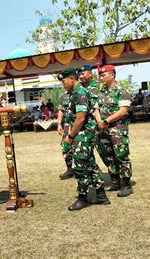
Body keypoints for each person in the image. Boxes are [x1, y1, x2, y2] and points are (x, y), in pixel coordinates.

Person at [58, 69, 109, 211]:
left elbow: (80, 118)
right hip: (83, 134)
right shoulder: (75, 92)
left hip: (83, 134)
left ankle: (83, 198)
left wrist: (70, 137)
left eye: (64, 81)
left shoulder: (80, 93)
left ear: (71, 78)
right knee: (90, 164)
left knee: (79, 167)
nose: (63, 84)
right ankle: (101, 195)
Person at [94, 65, 134, 198]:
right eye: (100, 75)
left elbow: (123, 111)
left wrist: (106, 122)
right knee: (108, 156)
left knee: (121, 156)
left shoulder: (122, 90)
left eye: (104, 75)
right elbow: (96, 109)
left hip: (117, 129)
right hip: (102, 129)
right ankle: (115, 181)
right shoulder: (101, 92)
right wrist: (100, 121)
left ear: (112, 75)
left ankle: (126, 184)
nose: (101, 77)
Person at [57, 91, 74, 180]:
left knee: (81, 148)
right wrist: (59, 123)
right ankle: (70, 169)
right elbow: (61, 110)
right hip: (67, 126)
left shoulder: (82, 92)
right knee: (66, 147)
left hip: (80, 125)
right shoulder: (64, 95)